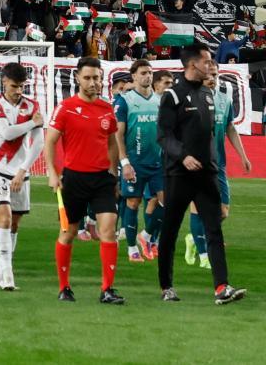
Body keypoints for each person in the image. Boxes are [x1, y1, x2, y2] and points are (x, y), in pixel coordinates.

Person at [156, 45, 246, 304]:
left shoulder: (208, 94)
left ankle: (222, 287)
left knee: (214, 229)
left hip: (207, 175)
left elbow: (210, 135)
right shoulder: (172, 96)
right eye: (207, 61)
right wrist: (183, 156)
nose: (211, 65)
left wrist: (213, 163)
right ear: (193, 64)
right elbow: (163, 136)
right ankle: (167, 286)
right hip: (178, 174)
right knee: (170, 230)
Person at [43, 57, 124, 304]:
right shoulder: (65, 108)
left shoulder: (106, 109)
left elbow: (112, 143)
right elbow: (50, 141)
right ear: (78, 78)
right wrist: (52, 172)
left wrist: (113, 173)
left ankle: (107, 289)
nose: (92, 82)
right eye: (87, 78)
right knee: (68, 233)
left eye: (96, 78)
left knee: (108, 230)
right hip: (74, 179)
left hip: (102, 180)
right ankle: (64, 287)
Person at [0, 62, 44, 292]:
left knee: (15, 223)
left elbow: (38, 142)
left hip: (20, 171)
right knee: (5, 218)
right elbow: (7, 133)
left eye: (21, 86)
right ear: (4, 82)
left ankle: (1, 271)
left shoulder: (32, 105)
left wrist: (23, 170)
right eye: (14, 86)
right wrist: (32, 122)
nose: (18, 91)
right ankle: (8, 274)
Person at [186, 67, 253, 269]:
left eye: (214, 75)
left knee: (223, 211)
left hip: (218, 165)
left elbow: (230, 127)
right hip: (196, 164)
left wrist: (243, 156)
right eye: (207, 75)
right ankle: (204, 255)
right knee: (198, 207)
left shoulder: (224, 99)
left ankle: (194, 237)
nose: (211, 78)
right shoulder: (189, 100)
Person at [114, 60, 163, 263]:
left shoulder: (159, 100)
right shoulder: (125, 101)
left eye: (150, 72)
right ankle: (132, 248)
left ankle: (146, 235)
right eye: (143, 73)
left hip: (158, 163)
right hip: (135, 163)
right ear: (134, 76)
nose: (148, 76)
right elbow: (118, 134)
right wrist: (124, 162)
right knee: (133, 202)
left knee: (167, 201)